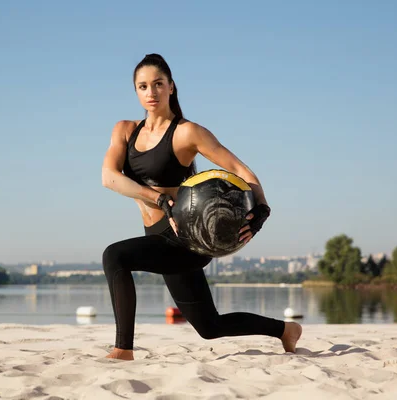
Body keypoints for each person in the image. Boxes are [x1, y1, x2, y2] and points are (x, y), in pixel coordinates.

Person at [101, 53, 302, 360]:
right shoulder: (125, 130)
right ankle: (286, 330)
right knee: (209, 326)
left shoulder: (186, 132)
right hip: (158, 234)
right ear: (136, 91)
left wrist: (262, 208)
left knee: (114, 256)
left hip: (187, 238)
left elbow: (239, 169)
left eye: (158, 84)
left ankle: (122, 350)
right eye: (143, 86)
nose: (151, 92)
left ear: (171, 86)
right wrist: (157, 198)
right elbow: (109, 177)